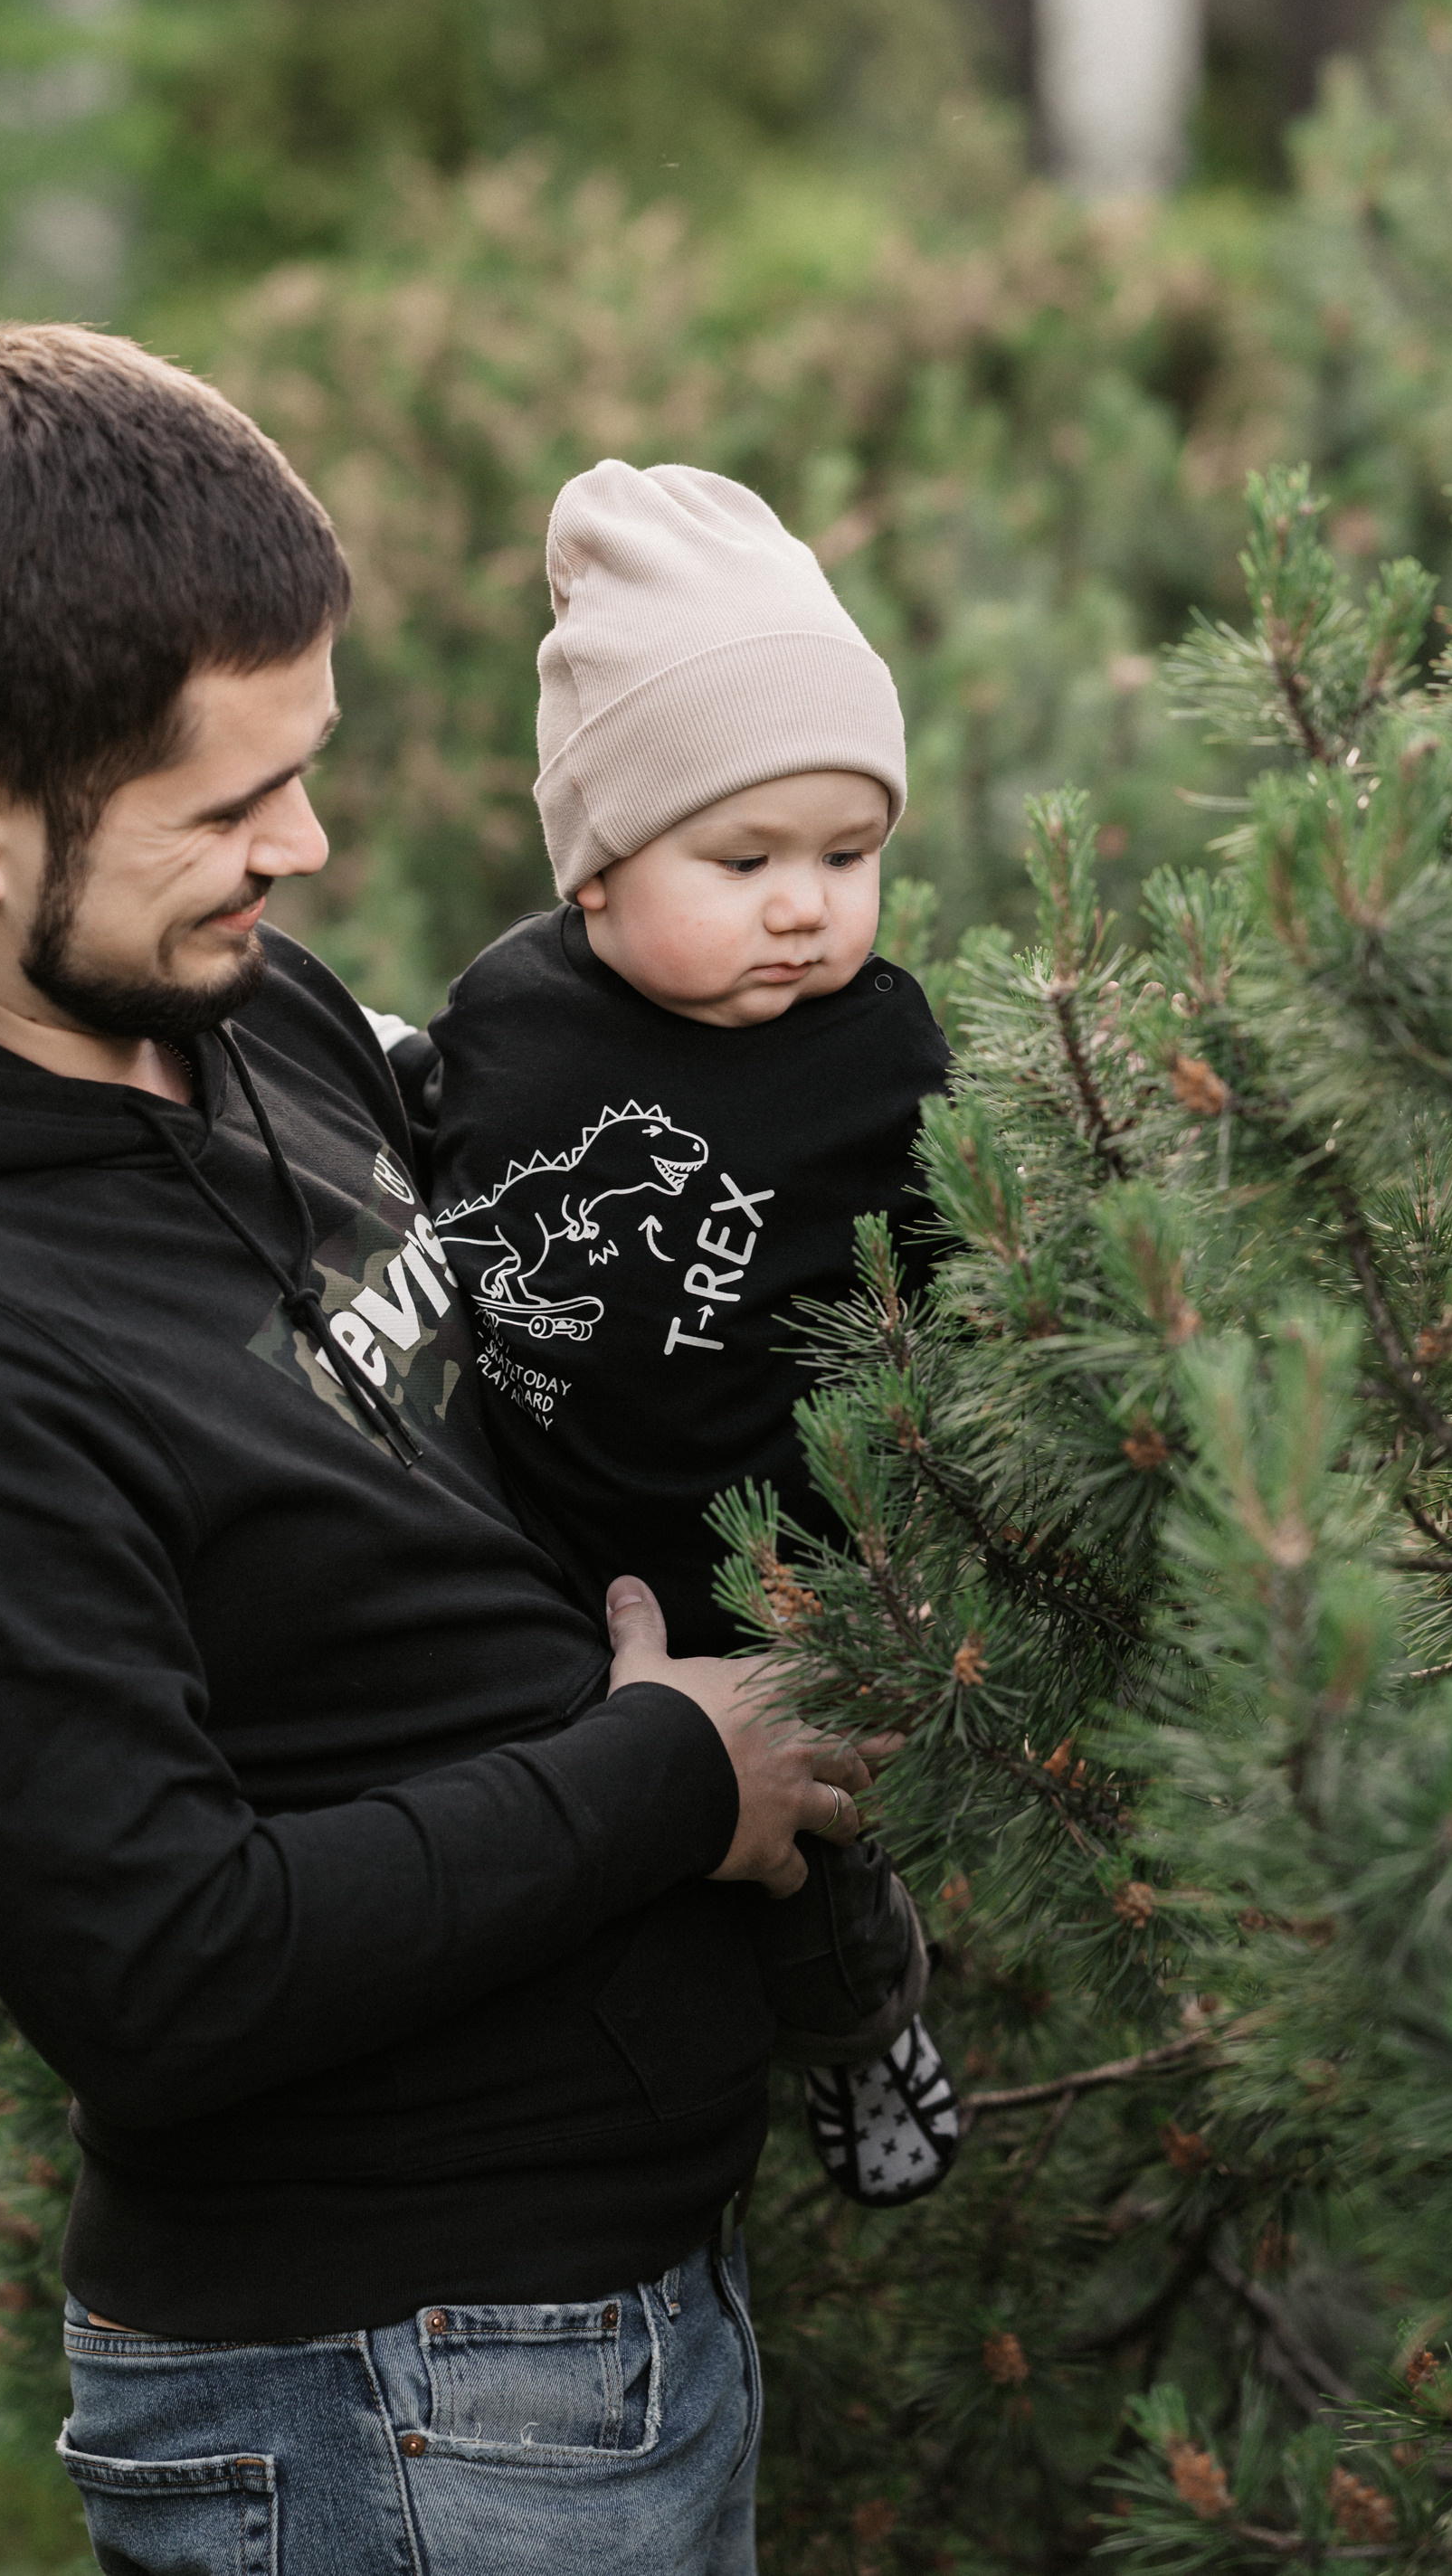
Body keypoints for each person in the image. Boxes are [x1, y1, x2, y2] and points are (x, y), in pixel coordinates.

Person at [0, 328, 895, 2576]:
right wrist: (678, 1772)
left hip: (583, 2326)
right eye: (227, 802)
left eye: (307, 764)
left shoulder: (221, 1003)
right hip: (388, 2398)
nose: (309, 845)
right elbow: (161, 1974)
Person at [411, 459, 962, 2207]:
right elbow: (418, 1165)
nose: (801, 903)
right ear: (595, 870)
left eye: (846, 853)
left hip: (771, 1553)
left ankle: (867, 2024)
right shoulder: (508, 1015)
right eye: (741, 859)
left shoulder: (875, 1053)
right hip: (536, 1546)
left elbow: (953, 1271)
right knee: (581, 1873)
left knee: (808, 1859)